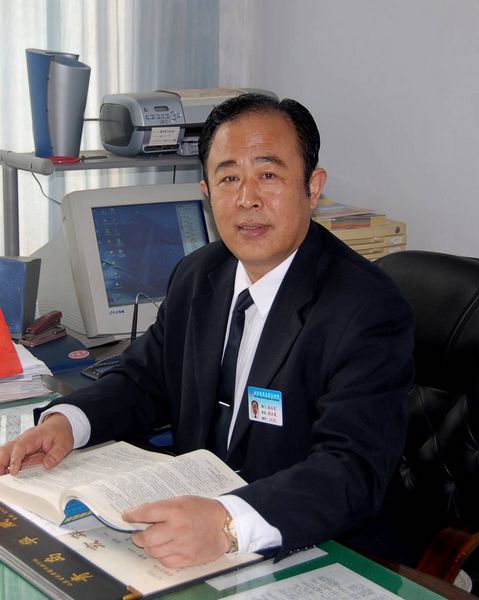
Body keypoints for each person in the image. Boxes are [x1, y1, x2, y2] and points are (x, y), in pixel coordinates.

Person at [0, 93, 415, 569]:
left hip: (316, 542)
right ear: (207, 191)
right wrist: (66, 424)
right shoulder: (200, 275)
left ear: (312, 186)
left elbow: (352, 469)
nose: (247, 198)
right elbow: (145, 379)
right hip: (197, 527)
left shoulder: (367, 308)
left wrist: (227, 523)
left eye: (269, 175)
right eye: (229, 178)